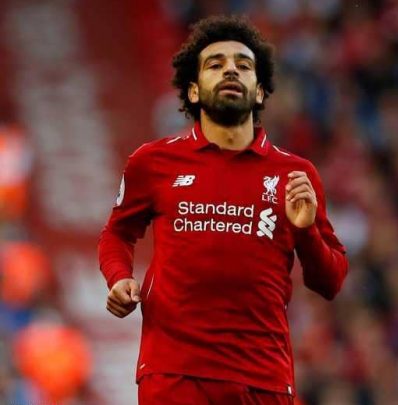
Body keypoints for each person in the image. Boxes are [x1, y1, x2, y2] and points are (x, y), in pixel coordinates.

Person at [97, 15, 348, 405]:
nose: (231, 70)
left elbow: (329, 281)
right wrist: (118, 278)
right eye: (215, 64)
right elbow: (117, 233)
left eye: (243, 66)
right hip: (175, 374)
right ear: (194, 91)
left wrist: (306, 230)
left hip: (263, 379)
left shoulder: (296, 175)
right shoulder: (153, 162)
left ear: (260, 92)